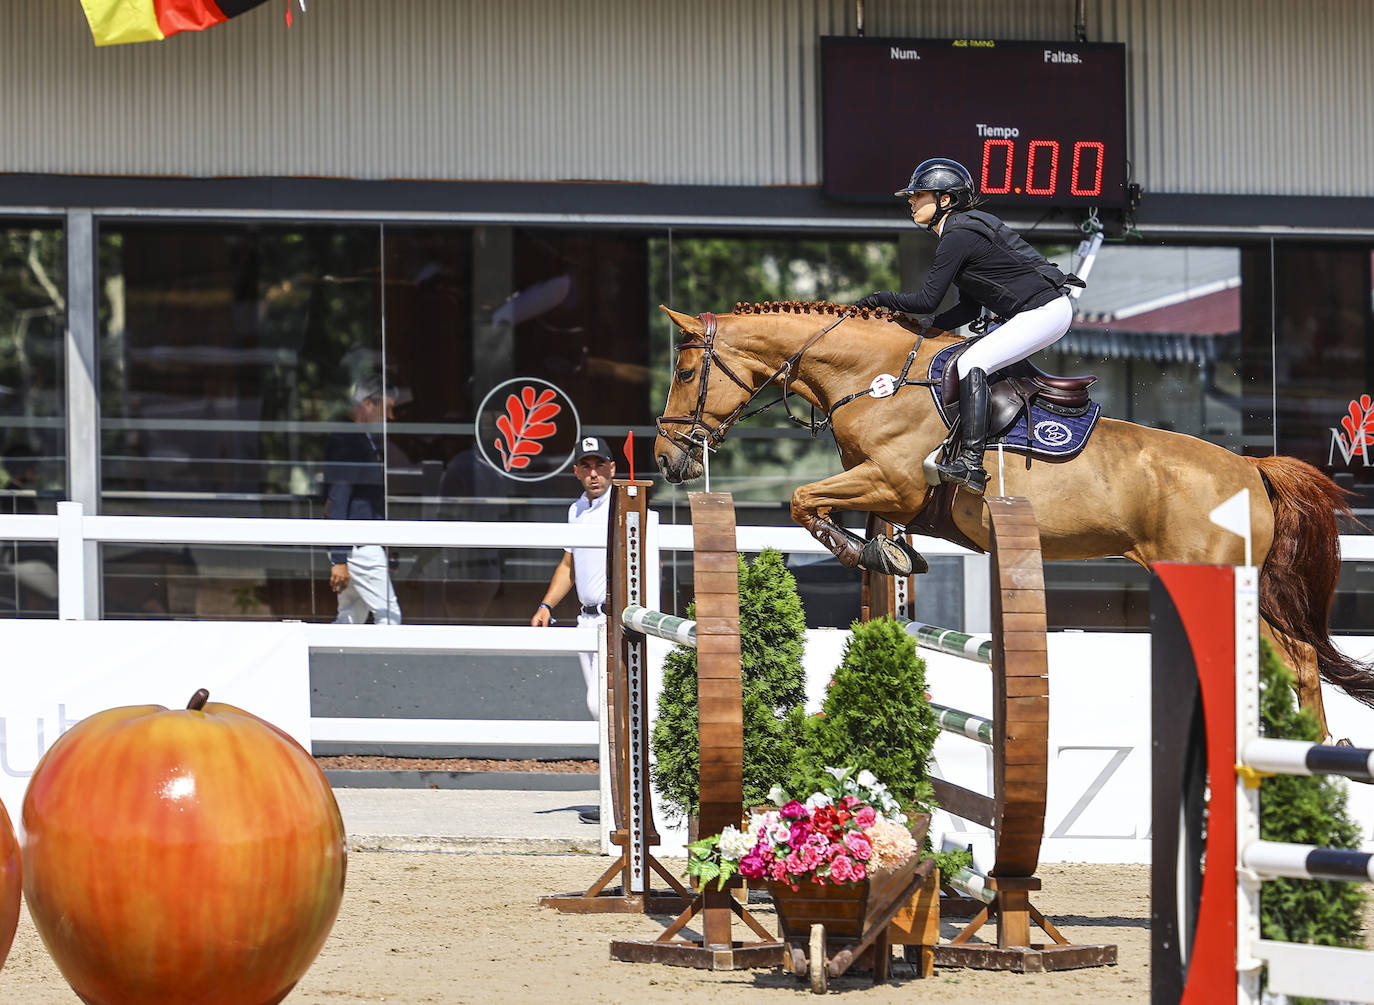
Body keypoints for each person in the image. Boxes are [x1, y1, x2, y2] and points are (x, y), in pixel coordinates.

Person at [856, 157, 1084, 495]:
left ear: (944, 200)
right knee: (972, 359)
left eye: (919, 195)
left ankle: (972, 464)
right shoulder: (960, 230)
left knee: (971, 362)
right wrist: (924, 329)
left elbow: (928, 300)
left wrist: (880, 299)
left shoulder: (958, 234)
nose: (911, 201)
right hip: (1045, 311)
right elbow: (966, 308)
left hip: (1043, 311)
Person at [530, 435, 616, 723]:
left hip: (613, 618)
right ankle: (612, 767)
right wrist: (546, 606)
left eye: (600, 465)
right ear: (577, 472)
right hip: (586, 620)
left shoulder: (624, 506)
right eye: (586, 466)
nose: (594, 473)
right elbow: (569, 565)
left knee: (601, 703)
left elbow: (649, 560)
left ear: (612, 469)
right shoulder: (576, 509)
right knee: (599, 705)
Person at [325, 376, 402, 624]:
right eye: (387, 408)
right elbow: (338, 498)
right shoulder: (349, 442)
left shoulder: (362, 440)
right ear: (369, 404)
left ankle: (330, 661)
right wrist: (338, 558)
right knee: (390, 618)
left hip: (358, 545)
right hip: (360, 548)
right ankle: (390, 664)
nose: (390, 417)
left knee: (350, 618)